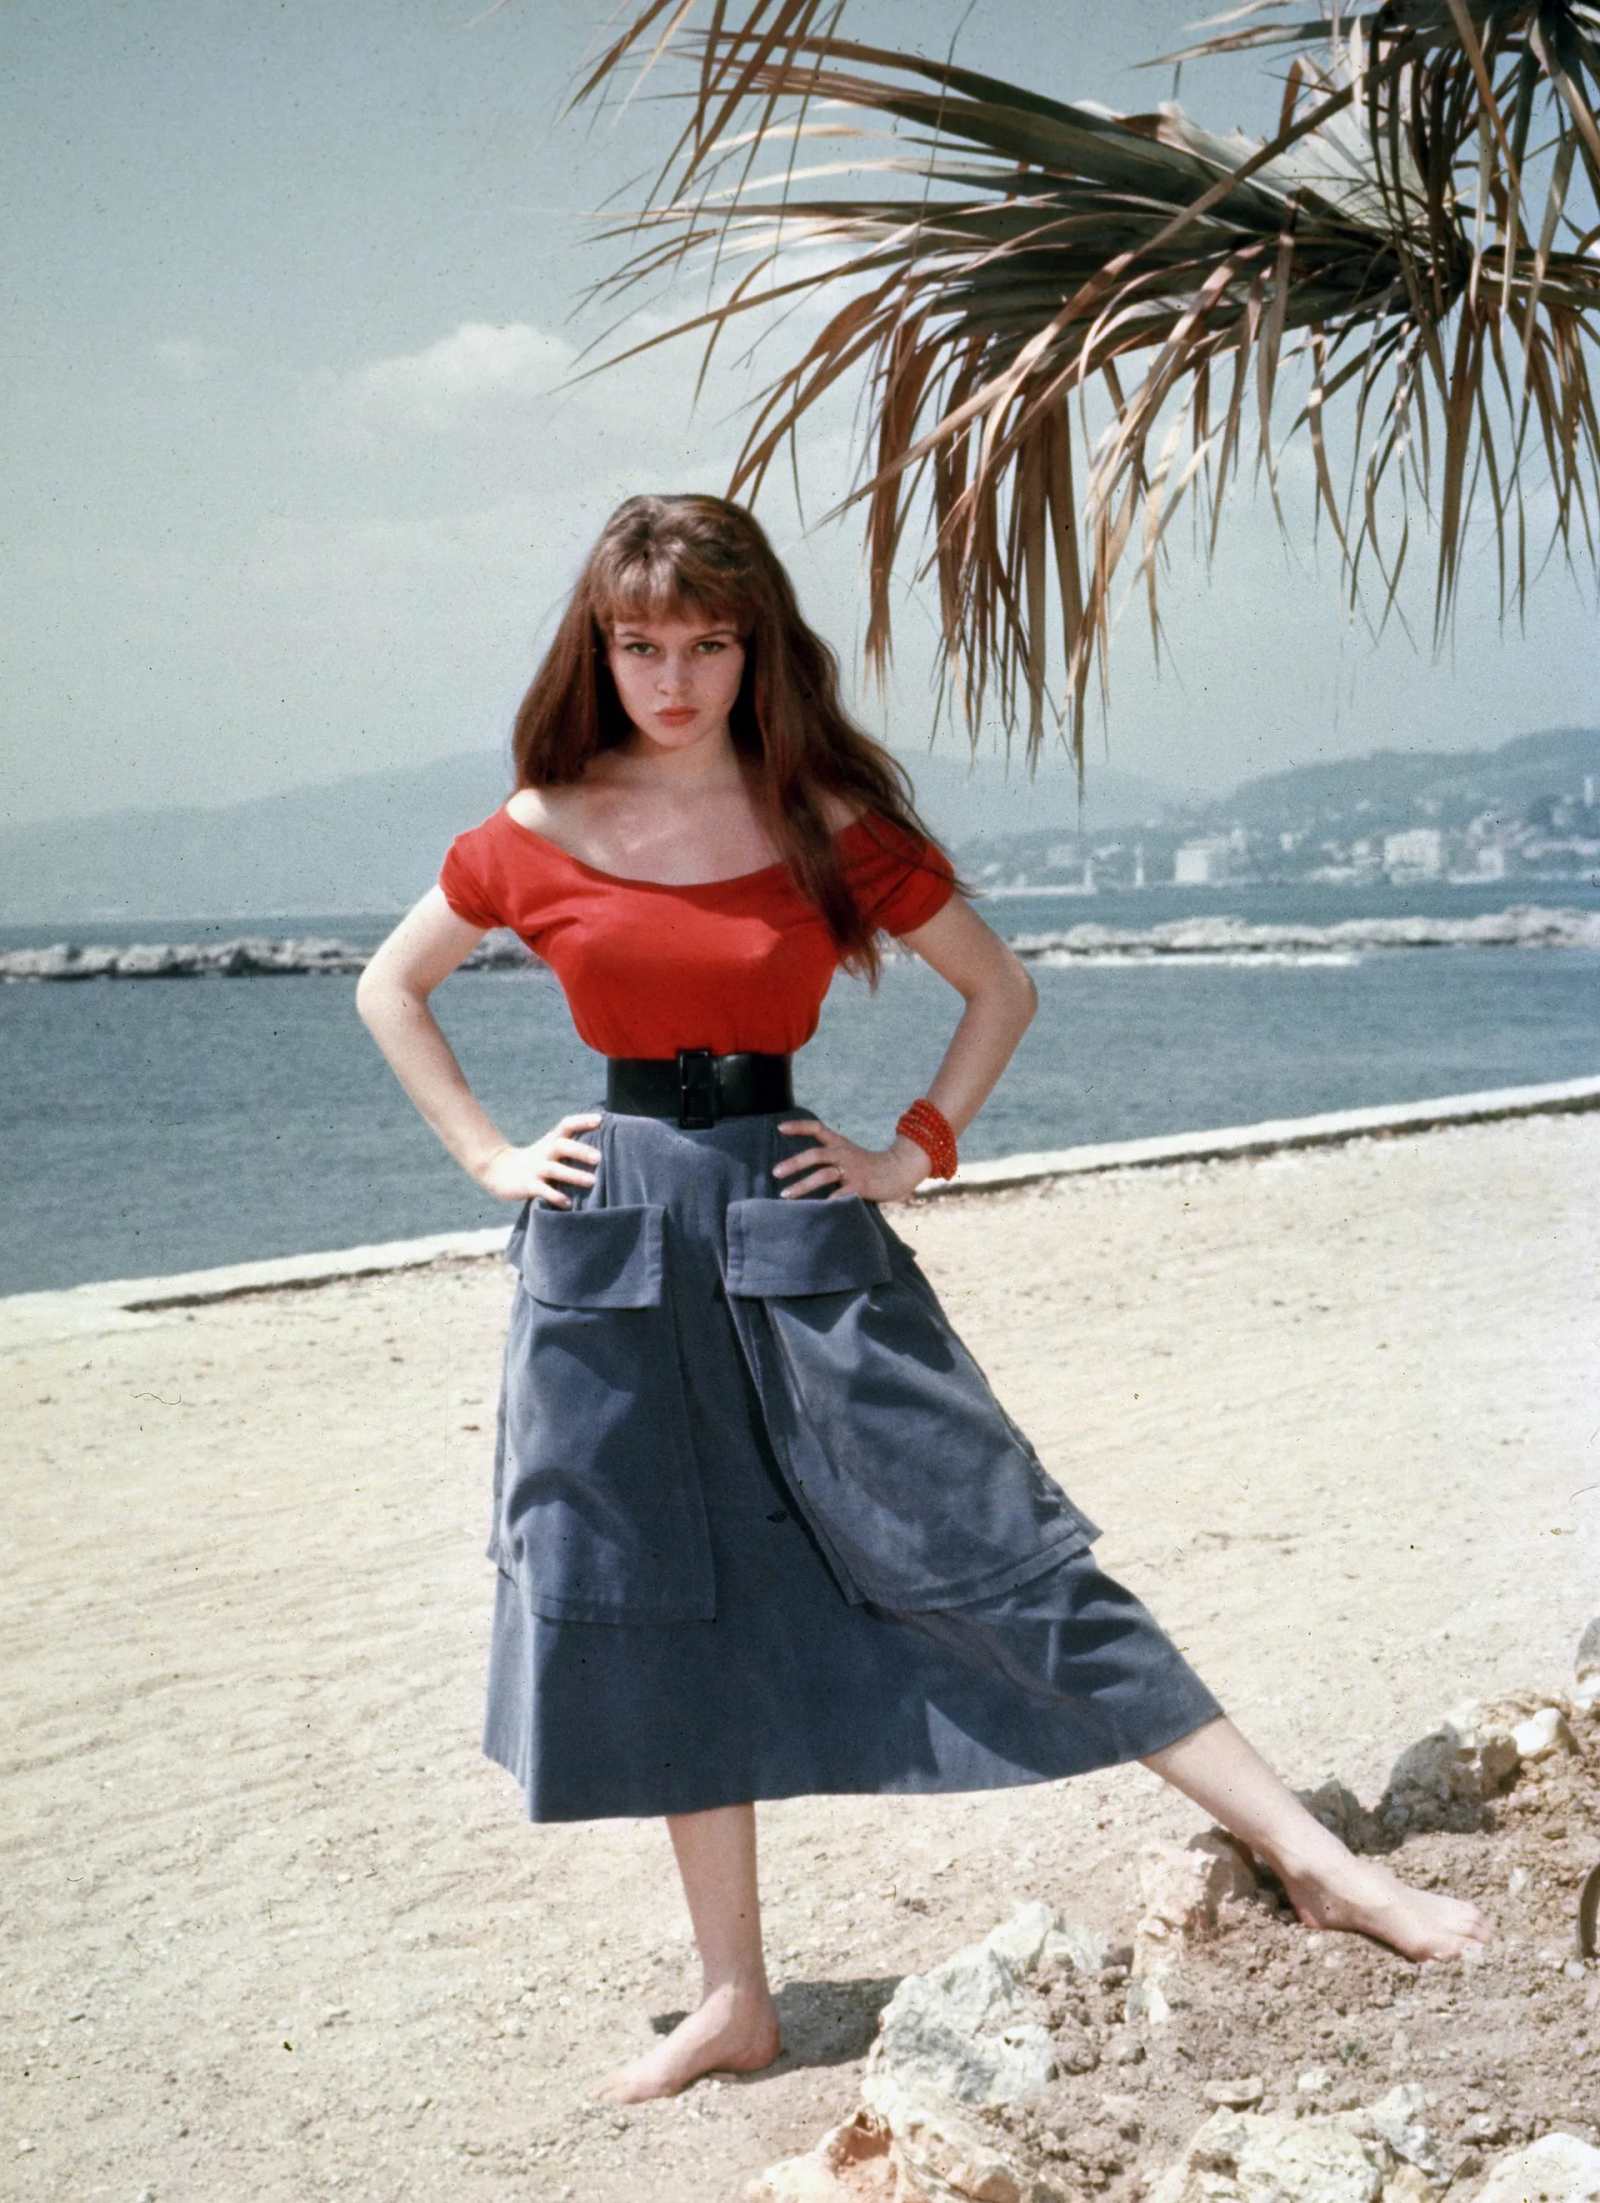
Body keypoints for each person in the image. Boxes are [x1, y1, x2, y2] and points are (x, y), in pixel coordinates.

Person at [356, 493, 1488, 2104]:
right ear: (597, 649)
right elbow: (386, 986)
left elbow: (997, 984)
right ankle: (733, 1996)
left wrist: (914, 1149)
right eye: (639, 644)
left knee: (999, 1542)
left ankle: (1320, 1862)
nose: (672, 677)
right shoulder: (536, 825)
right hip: (609, 1257)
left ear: (758, 648)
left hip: (799, 1221)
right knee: (664, 1594)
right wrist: (486, 1155)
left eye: (707, 643)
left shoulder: (820, 818)